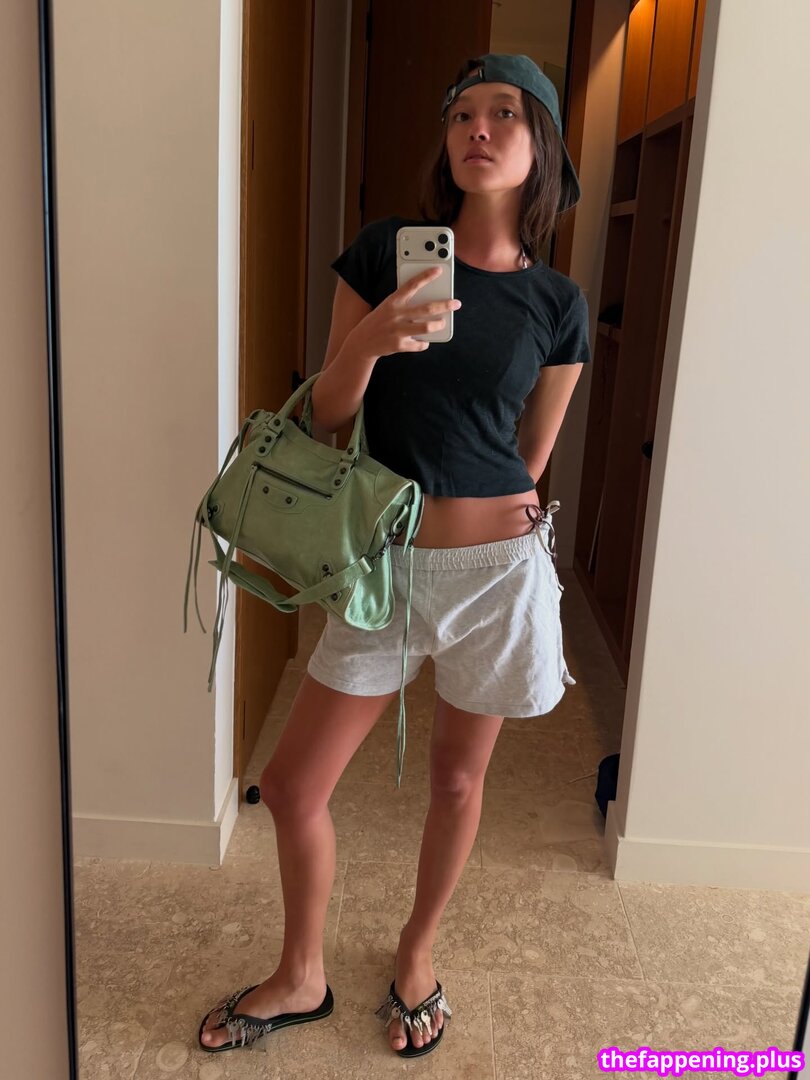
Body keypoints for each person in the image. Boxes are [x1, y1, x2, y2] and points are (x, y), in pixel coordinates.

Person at [198, 53, 591, 1060]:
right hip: (384, 569)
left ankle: (417, 954)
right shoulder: (385, 253)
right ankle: (303, 973)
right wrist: (373, 338)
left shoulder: (559, 303)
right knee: (294, 785)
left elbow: (531, 456)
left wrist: (500, 514)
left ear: (542, 145)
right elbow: (330, 418)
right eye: (462, 113)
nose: (478, 129)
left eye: (505, 113)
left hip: (496, 577)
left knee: (458, 783)